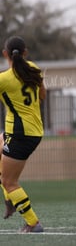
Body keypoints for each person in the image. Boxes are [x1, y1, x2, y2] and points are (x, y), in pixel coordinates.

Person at [0, 36, 46, 232]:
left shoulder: (4, 79)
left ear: (5, 54)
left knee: (9, 181)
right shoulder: (34, 69)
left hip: (20, 135)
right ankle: (10, 199)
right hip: (32, 131)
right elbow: (43, 95)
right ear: (25, 52)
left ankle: (32, 223)